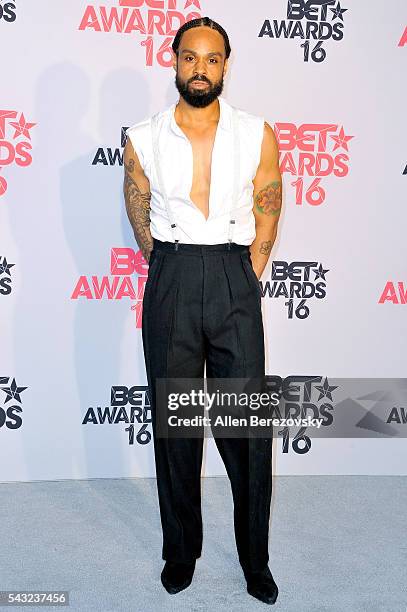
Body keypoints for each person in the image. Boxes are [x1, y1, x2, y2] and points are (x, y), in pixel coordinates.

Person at [123, 16, 282, 606]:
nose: (200, 69)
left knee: (246, 429)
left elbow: (270, 202)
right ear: (174, 61)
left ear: (226, 65)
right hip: (173, 274)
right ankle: (180, 550)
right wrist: (168, 265)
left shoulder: (256, 132)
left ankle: (254, 559)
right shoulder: (142, 138)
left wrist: (249, 271)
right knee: (177, 429)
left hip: (234, 275)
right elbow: (137, 207)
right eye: (190, 57)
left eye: (212, 59)